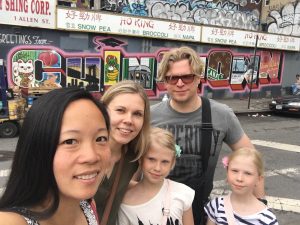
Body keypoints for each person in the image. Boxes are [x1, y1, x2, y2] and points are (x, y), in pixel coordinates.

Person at [150, 46, 265, 225]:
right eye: (172, 78)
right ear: (165, 82)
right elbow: (132, 166)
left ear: (198, 78)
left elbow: (253, 160)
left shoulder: (221, 114)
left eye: (187, 77)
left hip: (198, 211)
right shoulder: (150, 116)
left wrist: (260, 205)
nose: (180, 83)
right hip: (153, 209)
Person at [0, 87, 111, 225]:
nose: (92, 156)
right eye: (70, 141)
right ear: (37, 149)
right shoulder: (10, 221)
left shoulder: (87, 205)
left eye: (100, 138)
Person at [94, 80, 150, 225]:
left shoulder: (133, 158)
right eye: (120, 110)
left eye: (137, 114)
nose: (129, 120)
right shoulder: (81, 151)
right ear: (104, 110)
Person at [117, 127, 195, 225]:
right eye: (151, 159)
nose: (157, 168)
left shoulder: (182, 193)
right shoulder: (125, 202)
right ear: (141, 159)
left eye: (165, 161)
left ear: (172, 163)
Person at [205, 147, 278, 225]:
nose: (239, 178)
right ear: (227, 172)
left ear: (258, 179)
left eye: (248, 173)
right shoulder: (216, 205)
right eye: (234, 171)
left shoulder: (267, 219)